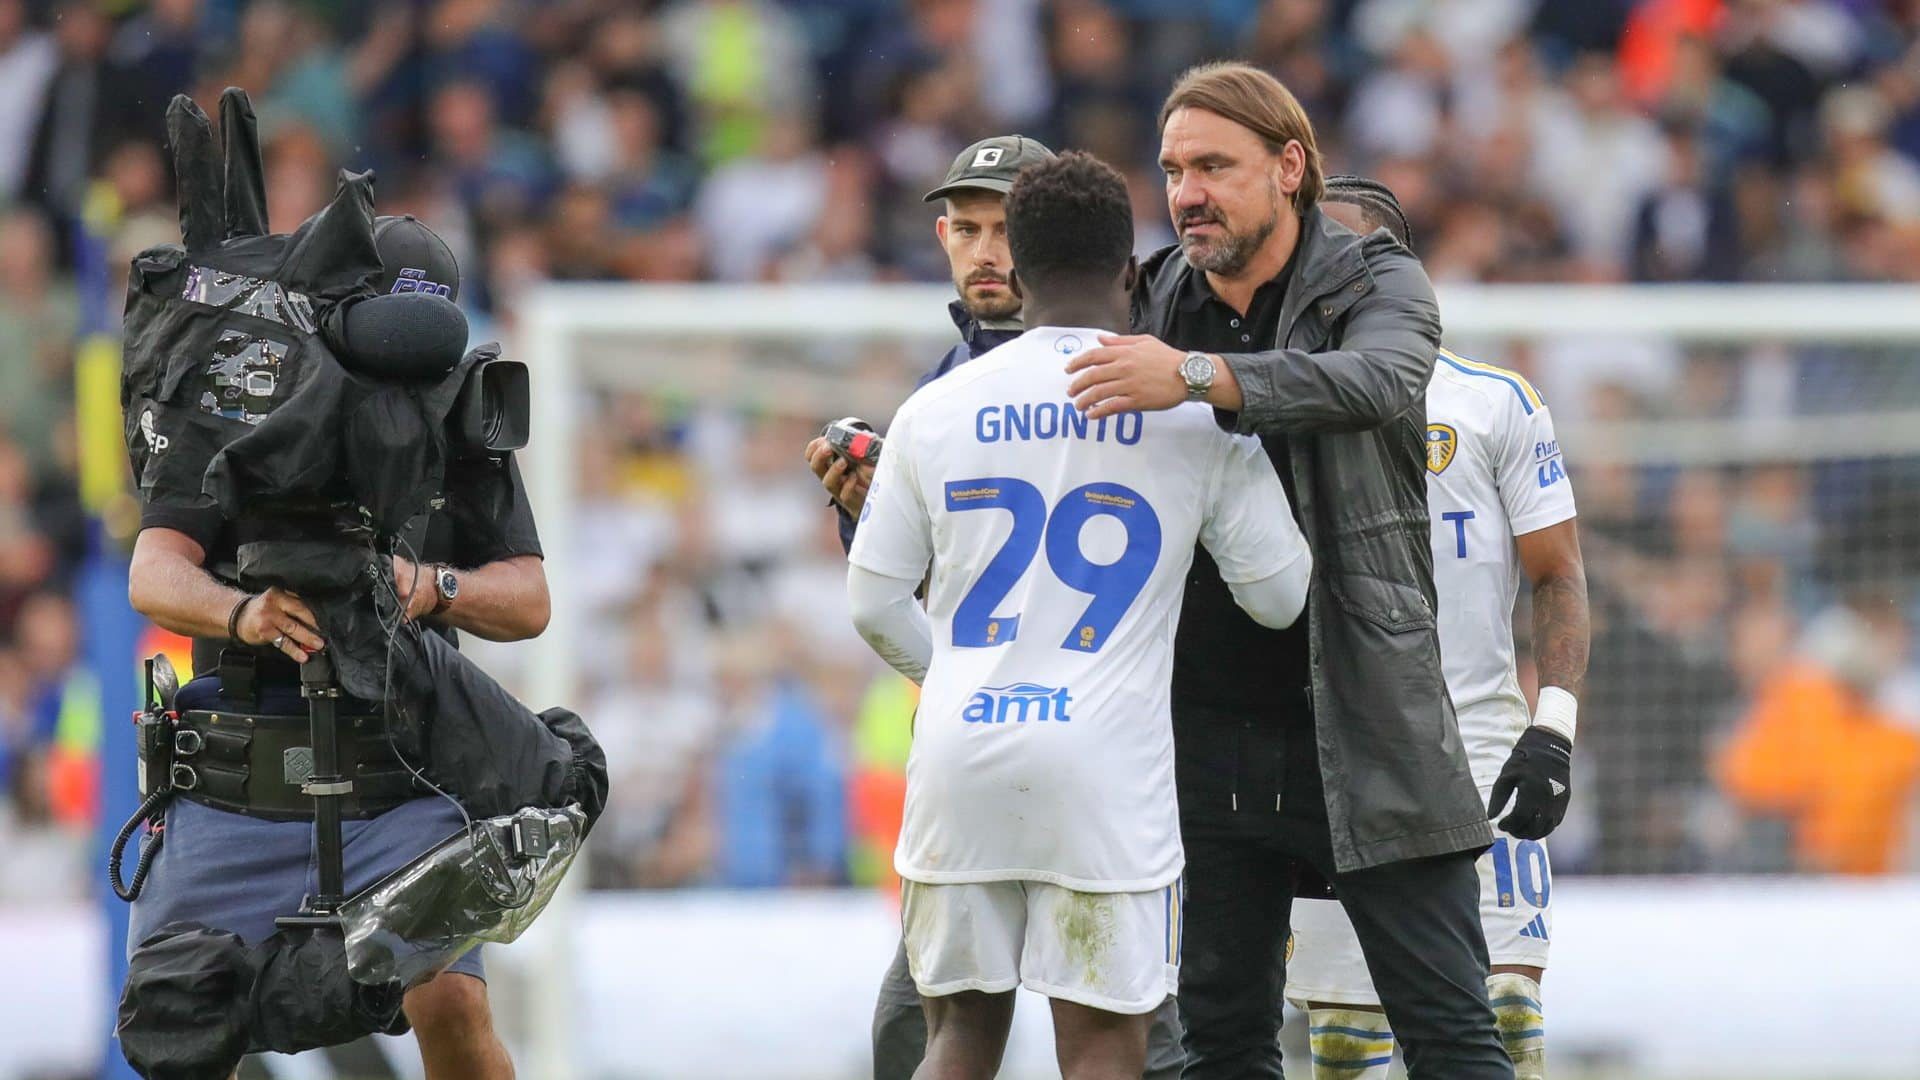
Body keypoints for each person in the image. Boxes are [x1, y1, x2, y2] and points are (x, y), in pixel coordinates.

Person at [1061, 61, 1514, 1077]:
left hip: (1366, 719)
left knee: (1451, 1040)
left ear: (1290, 168)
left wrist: (1193, 377)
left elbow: (1381, 379)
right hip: (1208, 736)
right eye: (1175, 168)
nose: (1187, 193)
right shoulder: (1158, 293)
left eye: (1215, 165)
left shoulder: (1375, 279)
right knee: (1219, 1047)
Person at [845, 149, 1312, 1080]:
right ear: (1132, 276)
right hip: (1105, 771)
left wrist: (961, 682)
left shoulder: (935, 410)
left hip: (959, 753)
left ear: (1016, 268)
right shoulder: (1188, 413)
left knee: (958, 1036)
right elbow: (1279, 598)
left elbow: (873, 600)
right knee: (1102, 1043)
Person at [804, 134, 1187, 1079]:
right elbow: (944, 585)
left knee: (975, 1031)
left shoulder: (1122, 370)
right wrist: (864, 512)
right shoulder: (948, 387)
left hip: (1087, 758)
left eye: (1004, 227)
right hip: (1065, 761)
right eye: (965, 228)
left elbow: (891, 605)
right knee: (956, 1028)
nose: (985, 251)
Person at [125, 217, 541, 1080]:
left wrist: (429, 586)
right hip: (237, 770)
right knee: (181, 1025)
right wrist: (244, 613)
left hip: (400, 771)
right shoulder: (235, 389)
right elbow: (154, 572)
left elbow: (530, 598)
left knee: (456, 1004)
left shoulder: (459, 412)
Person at [1285, 177, 1590, 1080]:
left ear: (1393, 270)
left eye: (1338, 254)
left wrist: (1553, 730)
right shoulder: (1272, 402)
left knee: (1509, 1025)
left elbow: (1559, 572)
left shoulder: (1494, 401)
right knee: (1342, 1047)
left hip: (1478, 748)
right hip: (1333, 754)